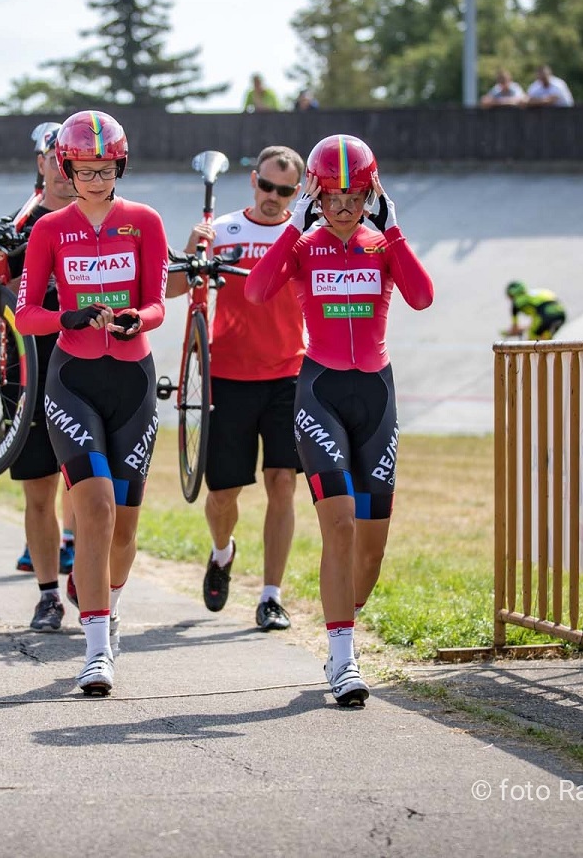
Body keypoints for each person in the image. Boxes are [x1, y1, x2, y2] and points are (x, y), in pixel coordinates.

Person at [244, 135, 434, 707]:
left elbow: (422, 297)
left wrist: (394, 229)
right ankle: (345, 659)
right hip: (320, 391)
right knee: (340, 525)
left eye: (356, 196)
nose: (344, 207)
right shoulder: (303, 247)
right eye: (332, 196)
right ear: (315, 197)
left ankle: (337, 632)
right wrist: (289, 233)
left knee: (370, 552)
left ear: (372, 194)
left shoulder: (381, 246)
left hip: (376, 394)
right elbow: (256, 290)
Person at [14, 110, 170, 696]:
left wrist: (137, 319)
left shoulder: (143, 222)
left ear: (120, 167)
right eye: (84, 171)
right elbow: (26, 313)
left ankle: (110, 607)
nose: (96, 181)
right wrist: (66, 317)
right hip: (72, 379)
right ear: (65, 168)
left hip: (132, 381)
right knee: (96, 507)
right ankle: (96, 651)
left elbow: (156, 303)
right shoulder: (50, 229)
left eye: (106, 170)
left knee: (124, 530)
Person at [166, 145, 307, 632]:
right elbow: (170, 290)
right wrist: (191, 250)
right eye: (266, 185)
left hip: (289, 374)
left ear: (297, 192)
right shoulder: (222, 231)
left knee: (283, 484)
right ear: (253, 180)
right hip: (226, 376)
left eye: (285, 190)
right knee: (224, 494)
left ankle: (271, 595)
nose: (273, 197)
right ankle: (222, 553)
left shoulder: (302, 234)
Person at [5, 124, 80, 631]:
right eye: (52, 157)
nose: (60, 167)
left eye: (68, 158)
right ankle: (48, 594)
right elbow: (1, 294)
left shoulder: (103, 217)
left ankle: (90, 577)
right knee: (38, 490)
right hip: (30, 363)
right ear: (42, 163)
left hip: (86, 363)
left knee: (93, 479)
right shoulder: (21, 222)